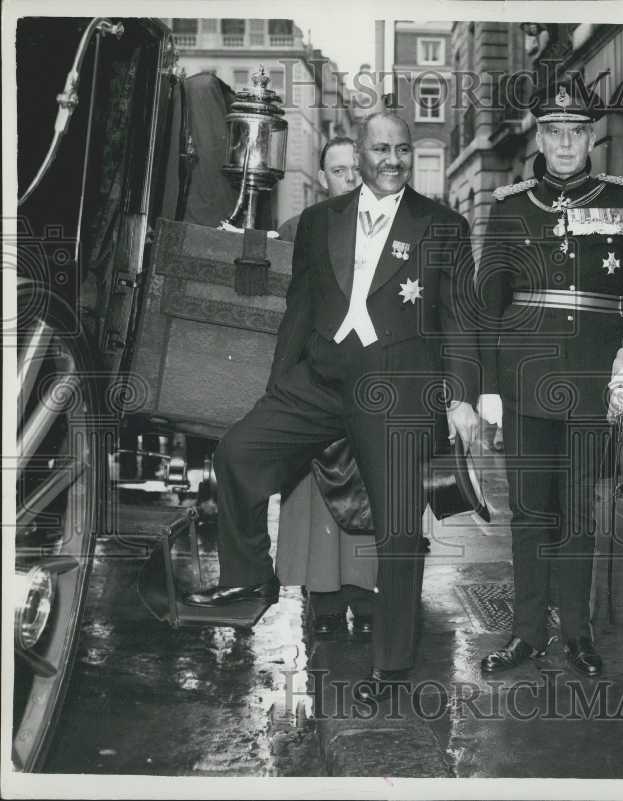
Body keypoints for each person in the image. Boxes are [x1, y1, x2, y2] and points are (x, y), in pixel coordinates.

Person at [184, 112, 481, 700]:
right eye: (381, 149)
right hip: (320, 380)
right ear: (359, 155)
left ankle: (391, 667)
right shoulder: (320, 223)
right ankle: (251, 582)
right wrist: (278, 390)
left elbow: (461, 320)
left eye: (401, 149)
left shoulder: (442, 225)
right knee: (237, 454)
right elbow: (298, 309)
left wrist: (463, 397)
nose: (392, 159)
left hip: (396, 389)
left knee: (398, 530)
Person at [476, 80, 623, 677]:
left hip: (590, 386)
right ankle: (527, 633)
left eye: (575, 132)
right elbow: (488, 303)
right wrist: (488, 386)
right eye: (553, 132)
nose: (563, 143)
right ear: (540, 136)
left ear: (590, 138)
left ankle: (578, 634)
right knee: (530, 514)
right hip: (525, 383)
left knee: (580, 515)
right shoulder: (509, 205)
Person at [273, 135, 372, 638]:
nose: (349, 178)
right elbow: (292, 308)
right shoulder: (303, 229)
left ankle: (364, 592)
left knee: (372, 493)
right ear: (323, 177)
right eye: (338, 170)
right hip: (318, 381)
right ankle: (324, 599)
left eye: (356, 168)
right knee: (315, 497)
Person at [276, 136, 358, 242]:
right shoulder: (295, 231)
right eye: (338, 171)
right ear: (324, 179)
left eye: (358, 169)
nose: (350, 178)